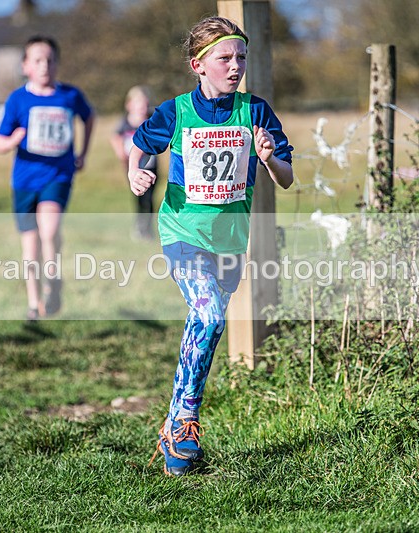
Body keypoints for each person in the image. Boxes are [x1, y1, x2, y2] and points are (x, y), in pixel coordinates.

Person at [130, 16, 293, 476]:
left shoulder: (255, 111)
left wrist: (269, 158)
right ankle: (185, 419)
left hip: (230, 243)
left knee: (208, 326)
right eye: (225, 58)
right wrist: (135, 172)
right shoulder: (176, 112)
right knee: (208, 316)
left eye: (241, 57)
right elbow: (139, 145)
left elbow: (286, 177)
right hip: (182, 233)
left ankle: (174, 426)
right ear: (198, 65)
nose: (235, 66)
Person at [0, 35, 95, 322]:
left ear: (58, 64)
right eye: (37, 60)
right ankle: (33, 304)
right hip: (24, 181)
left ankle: (53, 283)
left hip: (58, 175)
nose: (44, 66)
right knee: (31, 246)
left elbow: (89, 117)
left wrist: (83, 153)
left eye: (50, 60)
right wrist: (13, 140)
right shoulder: (18, 99)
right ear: (25, 66)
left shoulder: (70, 96)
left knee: (49, 231)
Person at [110, 85, 158, 240]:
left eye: (144, 103)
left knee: (149, 198)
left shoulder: (151, 120)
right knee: (138, 198)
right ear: (129, 105)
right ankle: (139, 227)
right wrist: (121, 154)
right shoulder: (125, 122)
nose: (142, 107)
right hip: (133, 168)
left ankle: (148, 228)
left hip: (150, 166)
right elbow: (115, 137)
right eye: (138, 103)